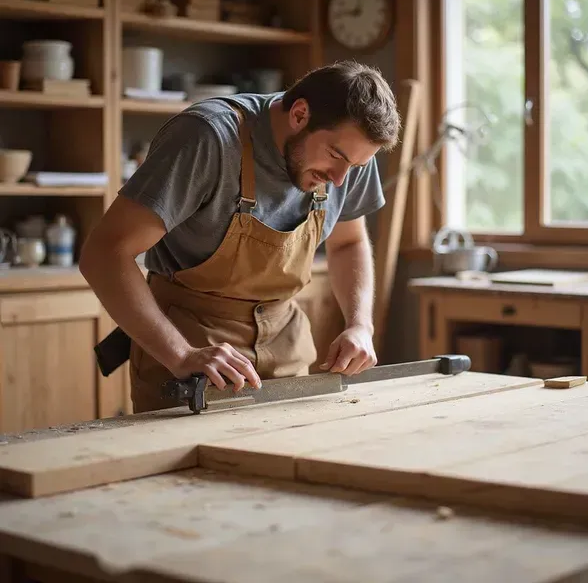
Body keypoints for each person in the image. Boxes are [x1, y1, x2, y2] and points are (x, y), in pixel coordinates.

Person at [80, 60, 401, 413]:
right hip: (193, 353)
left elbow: (348, 243)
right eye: (335, 156)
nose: (340, 179)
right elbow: (105, 253)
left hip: (286, 347)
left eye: (353, 167)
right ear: (299, 114)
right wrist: (181, 354)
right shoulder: (208, 138)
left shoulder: (350, 154)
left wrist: (359, 324)